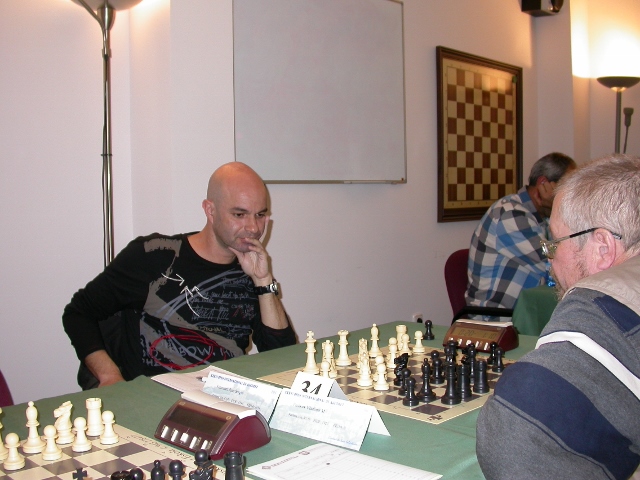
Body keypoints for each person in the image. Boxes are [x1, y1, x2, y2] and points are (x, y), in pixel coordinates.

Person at [476, 154, 640, 479]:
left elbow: (515, 437)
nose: (550, 258)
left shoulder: (597, 313)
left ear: (603, 248)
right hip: (491, 312)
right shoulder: (510, 212)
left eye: (555, 243)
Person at [63, 162, 296, 388]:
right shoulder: (156, 255)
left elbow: (283, 358)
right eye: (239, 214)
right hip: (155, 400)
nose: (253, 228)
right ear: (210, 210)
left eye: (260, 215)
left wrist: (263, 281)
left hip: (221, 399)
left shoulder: (250, 271)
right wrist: (109, 376)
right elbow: (78, 313)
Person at [466, 152, 576, 314]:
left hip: (523, 313)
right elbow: (556, 264)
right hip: (495, 318)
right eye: (566, 189)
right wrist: (559, 210)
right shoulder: (510, 214)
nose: (569, 197)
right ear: (543, 183)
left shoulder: (541, 217)